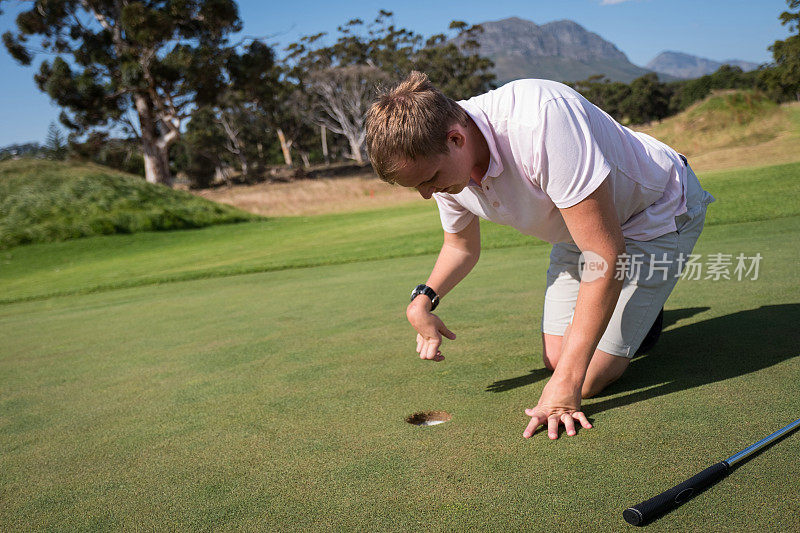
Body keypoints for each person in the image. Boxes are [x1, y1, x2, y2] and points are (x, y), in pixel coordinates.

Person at [365, 71, 714, 440]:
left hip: (653, 211)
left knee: (587, 378)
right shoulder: (447, 170)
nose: (426, 194)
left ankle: (640, 306)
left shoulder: (541, 121)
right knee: (555, 360)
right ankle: (630, 307)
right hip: (576, 226)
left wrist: (566, 389)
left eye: (428, 180)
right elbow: (460, 247)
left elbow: (605, 256)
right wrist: (422, 301)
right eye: (417, 186)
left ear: (455, 138)